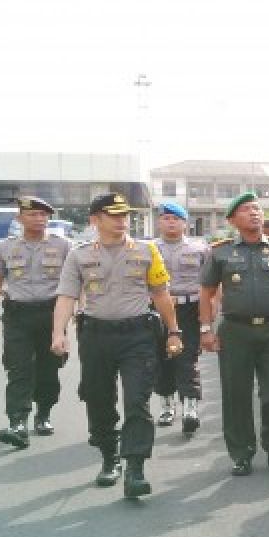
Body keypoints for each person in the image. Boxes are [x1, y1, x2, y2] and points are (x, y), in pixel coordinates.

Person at [51, 192, 184, 499]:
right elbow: (67, 296)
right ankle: (109, 456)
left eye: (125, 215)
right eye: (114, 215)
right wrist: (58, 333)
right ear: (95, 220)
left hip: (137, 334)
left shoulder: (147, 250)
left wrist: (174, 331)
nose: (122, 220)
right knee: (98, 399)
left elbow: (161, 294)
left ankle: (135, 467)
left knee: (137, 400)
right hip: (96, 336)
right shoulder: (79, 255)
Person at [199, 192, 269, 476]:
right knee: (236, 393)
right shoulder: (220, 252)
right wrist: (205, 329)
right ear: (232, 219)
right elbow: (207, 292)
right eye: (246, 210)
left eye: (257, 209)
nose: (254, 213)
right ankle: (242, 453)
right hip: (235, 330)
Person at [0, 196, 71, 448]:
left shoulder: (64, 246)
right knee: (18, 369)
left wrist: (78, 309)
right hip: (17, 315)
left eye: (43, 215)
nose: (39, 219)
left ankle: (43, 413)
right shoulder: (6, 247)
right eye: (33, 214)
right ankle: (17, 422)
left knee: (48, 370)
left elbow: (77, 281)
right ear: (19, 218)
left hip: (51, 315)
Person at [153, 201, 210, 434]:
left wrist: (210, 310)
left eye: (176, 219)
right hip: (156, 310)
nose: (171, 223)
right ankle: (167, 406)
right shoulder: (149, 249)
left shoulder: (200, 249)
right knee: (161, 358)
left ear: (185, 223)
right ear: (159, 222)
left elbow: (209, 284)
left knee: (187, 357)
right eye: (166, 218)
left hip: (189, 308)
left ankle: (190, 407)